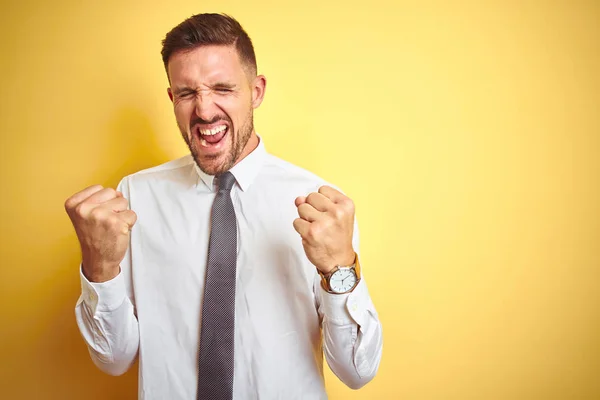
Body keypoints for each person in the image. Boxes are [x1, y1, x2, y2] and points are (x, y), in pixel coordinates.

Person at [64, 13, 383, 400]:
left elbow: (356, 372)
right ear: (172, 99)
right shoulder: (134, 197)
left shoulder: (321, 205)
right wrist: (99, 268)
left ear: (257, 91)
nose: (204, 110)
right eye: (186, 93)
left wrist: (339, 269)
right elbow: (113, 359)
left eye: (222, 88)